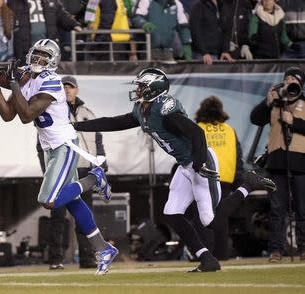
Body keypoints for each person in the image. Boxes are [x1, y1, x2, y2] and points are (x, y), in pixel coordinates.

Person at [73, 67, 277, 272]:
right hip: (185, 164)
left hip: (201, 160)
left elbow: (197, 133)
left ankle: (248, 185)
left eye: (142, 86)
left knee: (211, 221)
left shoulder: (165, 109)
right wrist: (77, 126)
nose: (138, 89)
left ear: (154, 89)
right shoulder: (142, 109)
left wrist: (199, 164)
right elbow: (116, 122)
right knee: (172, 213)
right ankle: (206, 258)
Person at [0, 38, 118, 275]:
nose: (38, 60)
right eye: (36, 54)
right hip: (49, 147)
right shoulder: (27, 77)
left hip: (64, 145)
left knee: (48, 200)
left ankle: (94, 178)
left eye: (44, 57)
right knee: (72, 201)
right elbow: (8, 115)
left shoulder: (51, 81)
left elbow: (27, 115)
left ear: (53, 62)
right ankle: (104, 249)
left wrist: (13, 83)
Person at [37, 75, 106, 270]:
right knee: (57, 216)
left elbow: (98, 139)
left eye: (70, 87)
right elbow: (43, 145)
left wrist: (102, 160)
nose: (67, 90)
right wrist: (48, 170)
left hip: (85, 167)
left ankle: (87, 257)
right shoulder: (53, 109)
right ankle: (56, 259)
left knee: (80, 213)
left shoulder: (87, 112)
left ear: (77, 90)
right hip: (63, 167)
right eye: (63, 86)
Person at [250, 67, 305, 262]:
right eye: (286, 78)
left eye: (293, 79)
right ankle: (276, 250)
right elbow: (255, 119)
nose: (289, 80)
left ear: (300, 83)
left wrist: (295, 122)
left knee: (302, 208)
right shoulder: (274, 103)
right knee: (277, 209)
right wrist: (267, 102)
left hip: (301, 161)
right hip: (276, 161)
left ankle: (303, 249)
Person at [193, 95, 245, 260]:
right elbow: (238, 157)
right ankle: (222, 253)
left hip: (204, 178)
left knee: (202, 217)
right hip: (225, 179)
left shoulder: (197, 128)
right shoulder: (229, 130)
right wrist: (238, 179)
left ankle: (206, 254)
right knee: (221, 217)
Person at [7, 0, 83, 61]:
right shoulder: (14, 2)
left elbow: (62, 14)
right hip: (25, 49)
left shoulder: (52, 1)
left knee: (46, 75)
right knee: (26, 76)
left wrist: (74, 24)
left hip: (47, 49)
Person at [189, 0, 235, 65]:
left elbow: (228, 31)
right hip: (202, 56)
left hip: (220, 56)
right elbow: (195, 31)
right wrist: (204, 53)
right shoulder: (198, 6)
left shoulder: (224, 6)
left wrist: (225, 50)